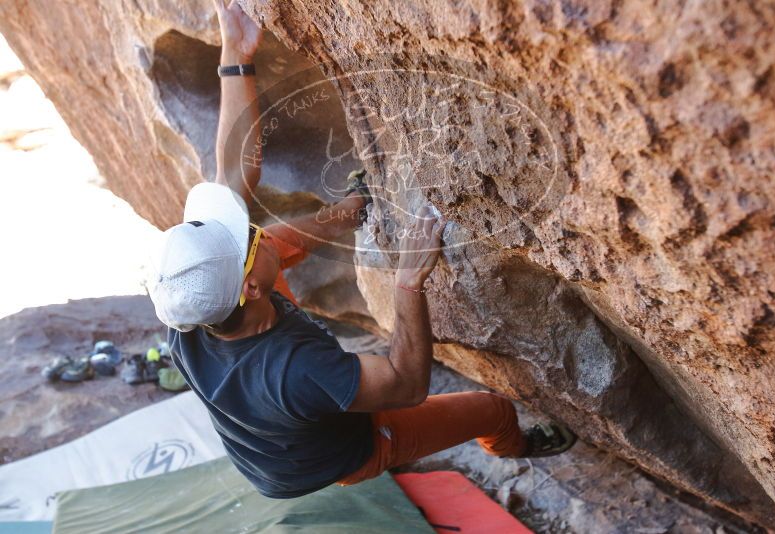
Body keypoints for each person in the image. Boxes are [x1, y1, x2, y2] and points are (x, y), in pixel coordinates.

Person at [145, 0, 576, 499]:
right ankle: (514, 447)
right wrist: (408, 281)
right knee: (492, 410)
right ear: (251, 286)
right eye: (246, 236)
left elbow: (232, 175)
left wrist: (237, 51)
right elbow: (406, 386)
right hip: (339, 455)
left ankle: (356, 205)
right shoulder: (297, 369)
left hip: (273, 427)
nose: (250, 225)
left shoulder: (191, 294)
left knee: (279, 239)